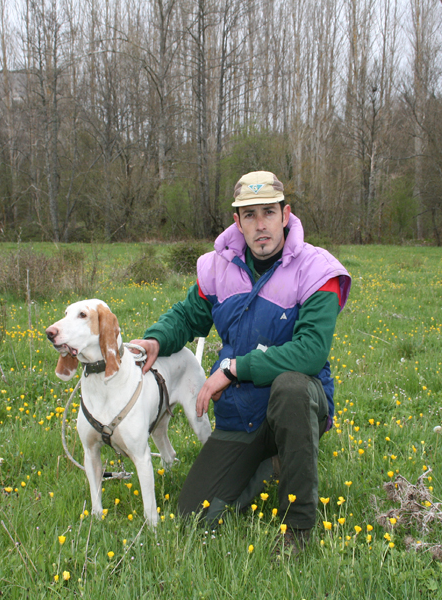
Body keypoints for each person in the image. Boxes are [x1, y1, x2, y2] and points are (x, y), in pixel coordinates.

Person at [130, 171, 351, 553]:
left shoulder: (317, 269)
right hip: (242, 413)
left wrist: (233, 370)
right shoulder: (218, 266)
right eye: (249, 215)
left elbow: (311, 352)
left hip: (298, 403)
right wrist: (155, 339)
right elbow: (187, 316)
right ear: (237, 222)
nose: (260, 224)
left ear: (286, 214)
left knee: (292, 388)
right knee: (193, 516)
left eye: (269, 212)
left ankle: (296, 528)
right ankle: (266, 460)